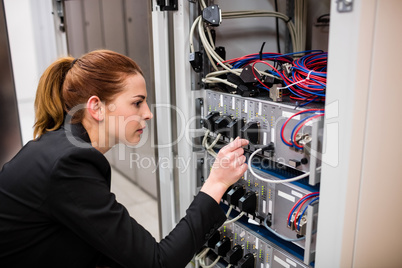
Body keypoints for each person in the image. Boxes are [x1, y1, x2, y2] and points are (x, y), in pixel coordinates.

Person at [0, 50, 249, 268]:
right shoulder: (70, 163)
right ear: (96, 107)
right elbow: (158, 262)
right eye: (137, 103)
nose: (148, 114)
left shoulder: (59, 145)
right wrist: (216, 184)